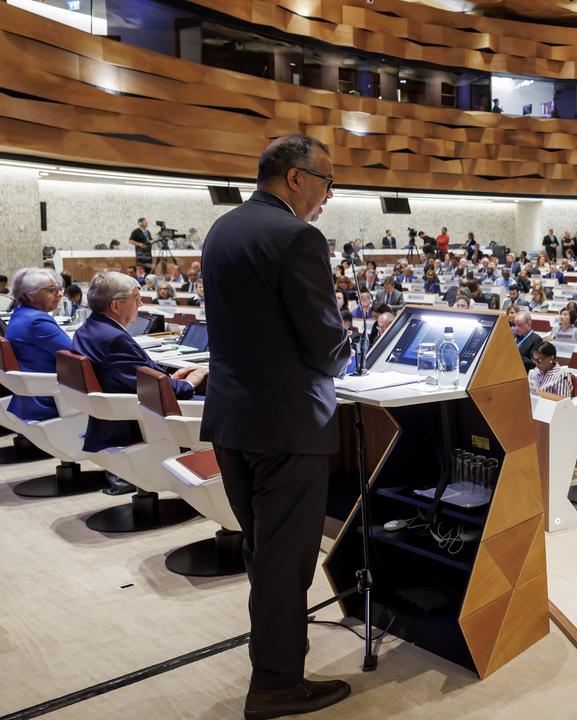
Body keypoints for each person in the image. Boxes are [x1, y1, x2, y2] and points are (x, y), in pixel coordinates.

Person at [199, 135, 353, 717]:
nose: (329, 195)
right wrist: (347, 353)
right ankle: (275, 684)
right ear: (296, 178)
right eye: (328, 182)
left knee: (263, 556)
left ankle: (273, 666)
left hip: (233, 419)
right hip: (286, 423)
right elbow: (322, 340)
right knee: (286, 562)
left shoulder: (224, 230)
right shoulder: (297, 236)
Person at [73, 272, 208, 493]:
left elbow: (129, 377)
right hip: (138, 424)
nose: (141, 302)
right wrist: (190, 382)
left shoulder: (89, 330)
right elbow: (151, 388)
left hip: (111, 420)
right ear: (116, 306)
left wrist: (167, 379)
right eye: (137, 297)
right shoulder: (113, 338)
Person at [5, 268, 73, 423]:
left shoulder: (21, 313)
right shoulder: (37, 321)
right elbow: (76, 355)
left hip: (30, 397)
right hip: (48, 400)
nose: (60, 294)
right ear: (30, 294)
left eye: (59, 289)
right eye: (51, 290)